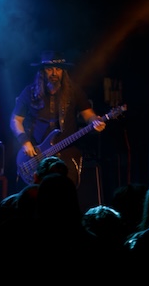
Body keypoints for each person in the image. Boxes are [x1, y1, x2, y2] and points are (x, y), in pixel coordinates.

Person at [10, 50, 106, 188]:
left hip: (66, 153)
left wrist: (95, 122)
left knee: (65, 192)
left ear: (63, 72)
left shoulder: (74, 91)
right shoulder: (29, 92)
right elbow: (15, 120)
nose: (54, 73)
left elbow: (89, 115)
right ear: (42, 72)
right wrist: (24, 141)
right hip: (38, 155)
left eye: (58, 69)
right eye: (50, 69)